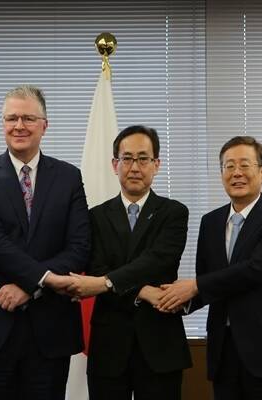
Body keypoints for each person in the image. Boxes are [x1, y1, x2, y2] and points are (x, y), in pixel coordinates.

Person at [0, 85, 90, 400]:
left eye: (28, 118)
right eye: (11, 118)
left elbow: (79, 246)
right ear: (3, 124)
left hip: (49, 329)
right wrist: (45, 277)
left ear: (44, 125)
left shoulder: (69, 177)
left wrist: (32, 286)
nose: (19, 126)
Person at [158, 136, 262, 400]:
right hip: (223, 350)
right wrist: (176, 300)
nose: (236, 173)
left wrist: (194, 286)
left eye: (244, 165)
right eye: (228, 166)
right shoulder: (210, 222)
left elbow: (255, 270)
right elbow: (209, 280)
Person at [67, 125, 192, 400]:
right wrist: (143, 291)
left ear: (156, 164)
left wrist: (108, 282)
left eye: (143, 158)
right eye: (127, 158)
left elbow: (158, 261)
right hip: (109, 346)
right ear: (115, 164)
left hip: (160, 344)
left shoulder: (174, 213)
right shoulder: (95, 217)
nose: (135, 166)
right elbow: (97, 269)